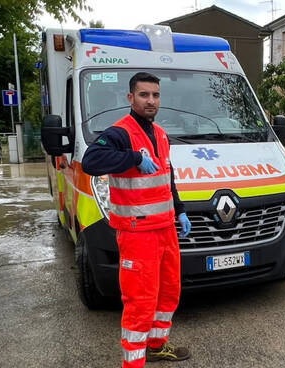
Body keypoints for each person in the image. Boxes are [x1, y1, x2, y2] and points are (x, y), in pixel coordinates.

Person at [82, 72, 192, 367]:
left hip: (166, 228)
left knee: (169, 292)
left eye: (155, 95)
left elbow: (167, 178)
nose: (151, 100)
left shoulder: (161, 135)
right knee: (140, 302)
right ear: (130, 98)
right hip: (137, 232)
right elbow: (91, 161)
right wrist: (131, 158)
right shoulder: (119, 133)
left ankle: (156, 347)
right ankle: (133, 363)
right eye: (144, 95)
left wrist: (179, 209)